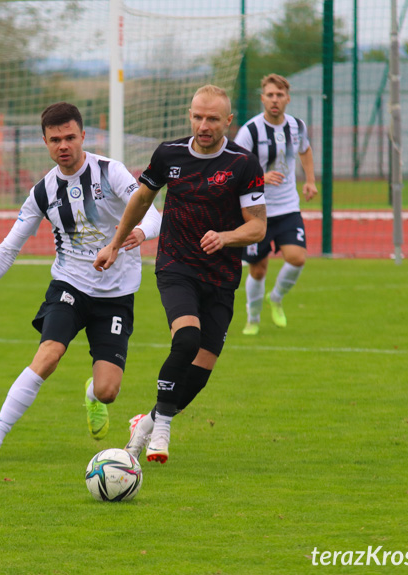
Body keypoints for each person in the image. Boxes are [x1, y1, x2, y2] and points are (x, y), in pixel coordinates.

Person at [0, 102, 161, 464]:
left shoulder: (110, 172)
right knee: (48, 356)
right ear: (45, 142)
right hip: (69, 286)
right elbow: (8, 248)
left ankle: (91, 396)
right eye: (55, 139)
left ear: (83, 136)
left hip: (116, 294)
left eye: (70, 137)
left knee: (108, 390)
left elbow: (153, 213)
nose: (64, 146)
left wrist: (137, 232)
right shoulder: (43, 192)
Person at [94, 85, 266, 465]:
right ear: (189, 115)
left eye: (212, 119)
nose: (203, 126)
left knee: (200, 373)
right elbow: (141, 199)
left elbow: (257, 227)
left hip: (221, 277)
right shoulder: (169, 154)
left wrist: (226, 236)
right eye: (197, 117)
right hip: (177, 265)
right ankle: (162, 431)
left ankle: (148, 419)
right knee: (187, 340)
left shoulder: (243, 163)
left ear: (228, 121)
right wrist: (114, 242)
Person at [234, 73, 317, 335]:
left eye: (279, 95)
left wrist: (310, 181)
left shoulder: (296, 126)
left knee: (297, 258)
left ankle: (277, 297)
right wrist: (261, 177)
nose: (275, 100)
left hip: (288, 207)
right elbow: (235, 167)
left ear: (287, 99)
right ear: (262, 98)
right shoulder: (250, 130)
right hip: (257, 209)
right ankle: (253, 318)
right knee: (258, 270)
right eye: (270, 95)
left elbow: (304, 150)